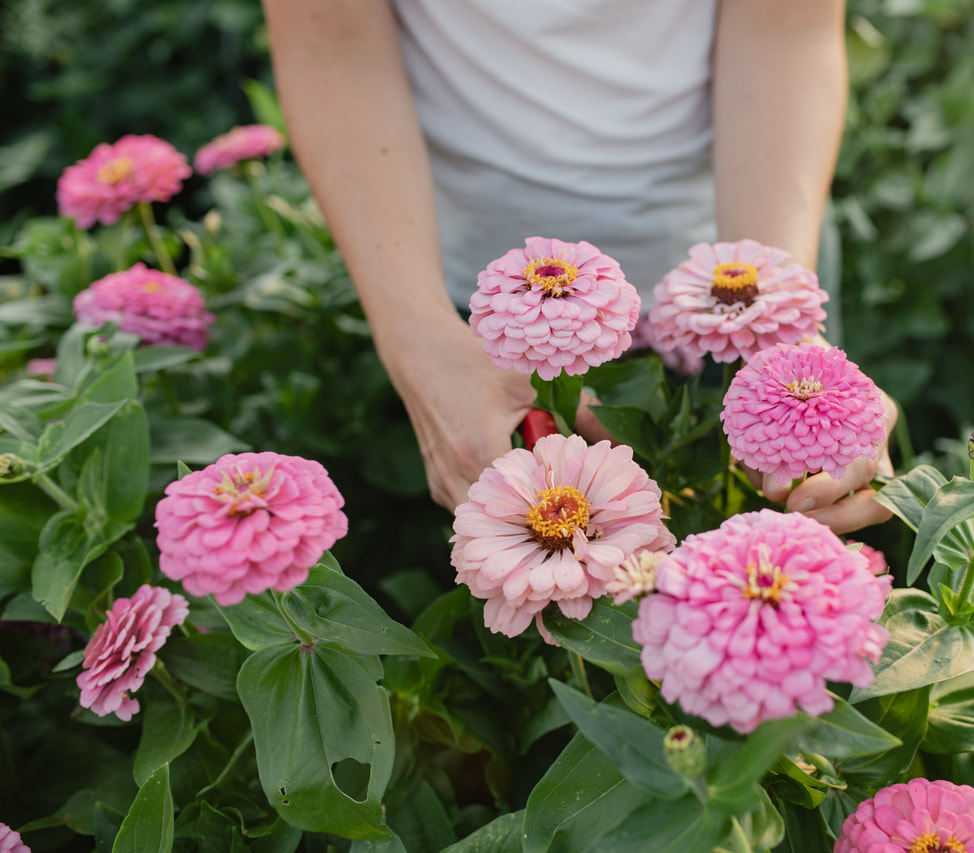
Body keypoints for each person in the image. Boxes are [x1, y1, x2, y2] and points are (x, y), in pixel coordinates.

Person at [259, 0, 897, 533]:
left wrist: (776, 333)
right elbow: (329, 41)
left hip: (744, 256)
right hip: (446, 297)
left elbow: (785, 24)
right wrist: (417, 342)